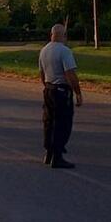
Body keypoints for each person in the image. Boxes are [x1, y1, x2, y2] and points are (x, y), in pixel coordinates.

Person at [38, 23, 82, 168]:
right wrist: (78, 93)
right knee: (62, 124)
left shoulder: (44, 50)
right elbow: (70, 74)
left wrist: (46, 87)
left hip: (49, 89)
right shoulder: (65, 51)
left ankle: (48, 153)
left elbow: (42, 73)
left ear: (51, 34)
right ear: (64, 35)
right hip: (61, 91)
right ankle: (57, 157)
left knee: (49, 122)